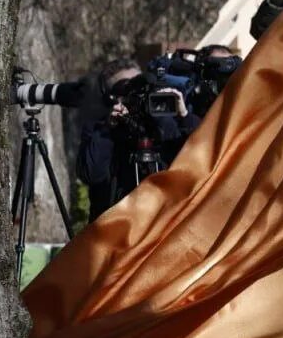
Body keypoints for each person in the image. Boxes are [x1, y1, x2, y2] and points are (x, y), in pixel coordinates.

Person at [77, 58, 201, 220]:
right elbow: (92, 174)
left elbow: (199, 162)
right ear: (111, 98)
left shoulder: (163, 122)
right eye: (127, 88)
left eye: (140, 86)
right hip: (117, 228)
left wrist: (184, 116)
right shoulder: (100, 130)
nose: (137, 94)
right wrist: (109, 128)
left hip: (166, 224)